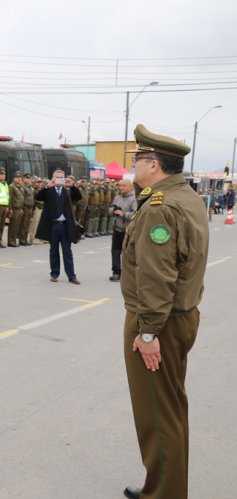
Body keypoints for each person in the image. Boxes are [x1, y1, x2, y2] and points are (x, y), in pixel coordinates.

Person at [121, 125, 208, 499]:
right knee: (170, 407)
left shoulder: (160, 207)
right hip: (180, 316)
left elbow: (157, 276)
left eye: (138, 160)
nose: (134, 168)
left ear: (153, 165)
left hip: (160, 321)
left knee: (157, 414)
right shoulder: (185, 197)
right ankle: (165, 485)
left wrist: (148, 333)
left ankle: (165, 495)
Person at [34, 169, 82, 284]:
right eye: (57, 177)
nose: (59, 179)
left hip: (65, 225)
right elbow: (38, 197)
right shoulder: (49, 191)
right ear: (54, 178)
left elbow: (78, 196)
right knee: (53, 251)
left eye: (62, 177)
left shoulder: (68, 191)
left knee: (67, 251)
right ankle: (54, 273)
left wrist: (73, 186)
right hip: (53, 225)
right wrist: (47, 186)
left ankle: (71, 276)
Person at [108, 179, 136, 282]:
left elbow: (137, 214)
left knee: (128, 253)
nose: (121, 187)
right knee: (115, 251)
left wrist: (124, 214)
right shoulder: (117, 197)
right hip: (117, 229)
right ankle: (116, 272)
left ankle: (128, 273)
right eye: (120, 185)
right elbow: (110, 210)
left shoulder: (134, 199)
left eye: (124, 185)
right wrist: (113, 210)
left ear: (130, 187)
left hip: (128, 231)